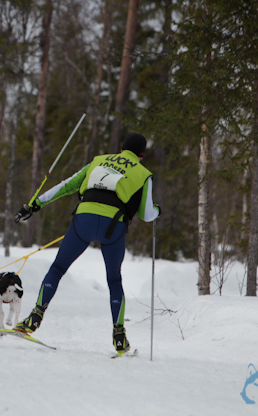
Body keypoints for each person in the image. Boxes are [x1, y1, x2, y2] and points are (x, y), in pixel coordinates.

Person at [13, 133, 160, 352]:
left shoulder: (98, 161)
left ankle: (35, 317)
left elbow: (67, 186)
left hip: (84, 219)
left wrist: (34, 205)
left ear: (121, 149)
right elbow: (147, 215)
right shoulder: (143, 173)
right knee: (114, 281)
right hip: (114, 226)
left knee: (58, 268)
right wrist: (158, 210)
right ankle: (119, 336)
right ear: (141, 155)